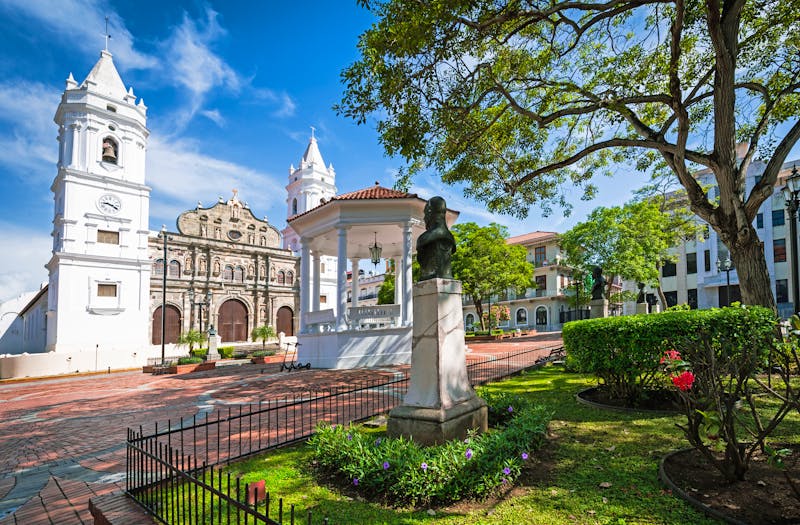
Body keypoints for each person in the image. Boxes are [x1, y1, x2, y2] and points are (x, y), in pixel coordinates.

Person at [416, 196, 456, 280]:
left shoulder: (423, 239)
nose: (424, 218)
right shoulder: (451, 238)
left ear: (430, 213)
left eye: (425, 214)